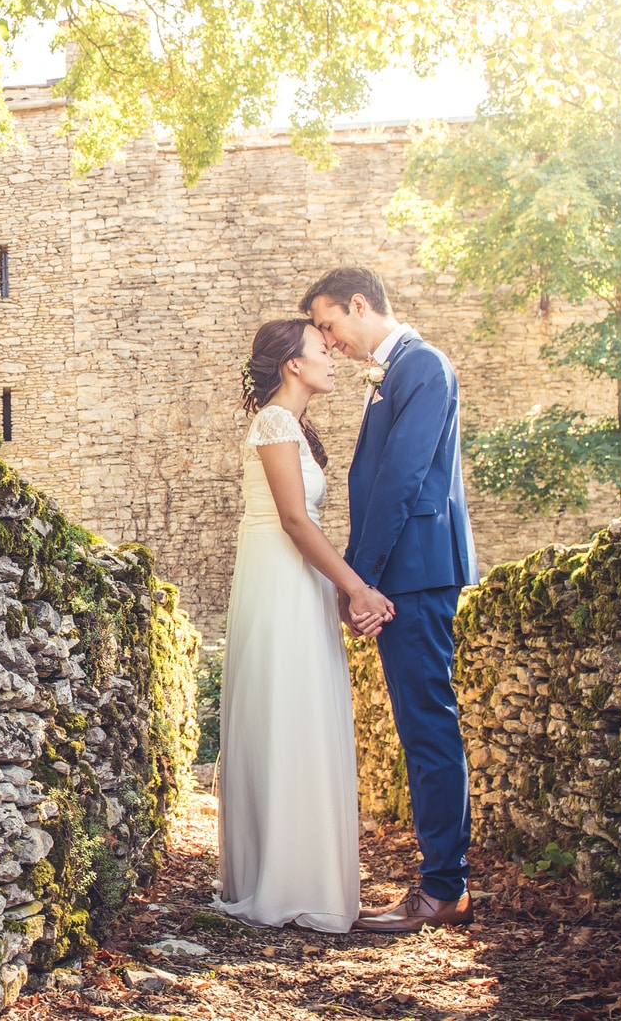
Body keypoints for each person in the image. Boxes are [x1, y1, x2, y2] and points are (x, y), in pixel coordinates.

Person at [303, 266, 479, 933]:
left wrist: (360, 581)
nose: (329, 338)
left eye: (329, 323)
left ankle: (444, 889)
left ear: (358, 304)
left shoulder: (422, 366)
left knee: (429, 724)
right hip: (400, 570)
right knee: (418, 723)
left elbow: (404, 478)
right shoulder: (396, 371)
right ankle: (441, 882)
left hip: (417, 570)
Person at [213, 317, 391, 933]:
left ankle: (308, 873)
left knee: (307, 712)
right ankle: (285, 881)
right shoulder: (273, 422)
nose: (333, 356)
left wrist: (337, 587)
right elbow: (294, 519)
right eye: (322, 349)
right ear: (292, 362)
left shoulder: (296, 427)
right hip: (279, 579)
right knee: (288, 711)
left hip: (303, 580)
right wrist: (357, 588)